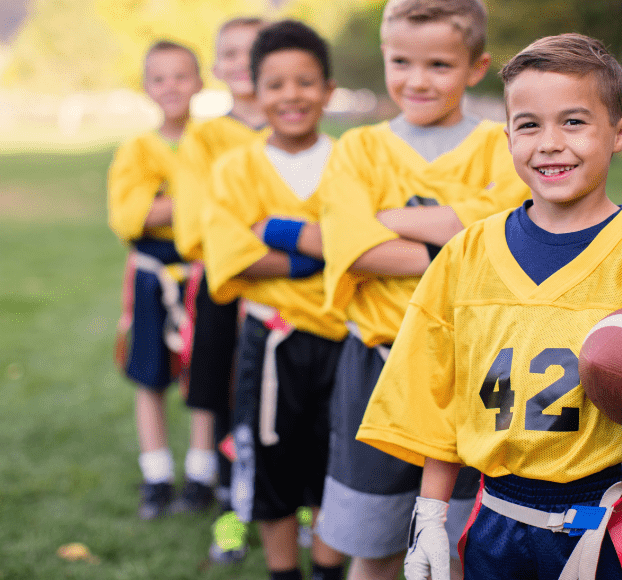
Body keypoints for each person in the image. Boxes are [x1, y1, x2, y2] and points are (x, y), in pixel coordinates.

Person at [356, 33, 622, 580]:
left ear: (619, 133)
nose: (550, 143)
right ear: (507, 136)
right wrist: (430, 512)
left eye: (574, 122)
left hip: (613, 518)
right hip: (498, 517)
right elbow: (433, 390)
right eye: (529, 125)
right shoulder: (467, 252)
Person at [315, 1, 530, 578]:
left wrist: (384, 218)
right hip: (377, 366)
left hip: (474, 373)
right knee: (374, 546)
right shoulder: (357, 149)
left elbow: (501, 236)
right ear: (384, 57)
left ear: (476, 67)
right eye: (401, 61)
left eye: (438, 64)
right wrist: (452, 239)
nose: (417, 79)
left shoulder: (502, 145)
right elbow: (352, 250)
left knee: (461, 544)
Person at [201, 20, 347, 580]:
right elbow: (230, 259)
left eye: (306, 82)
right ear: (254, 91)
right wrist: (318, 253)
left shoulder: (354, 160)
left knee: (336, 463)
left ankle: (330, 569)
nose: (291, 96)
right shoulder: (235, 168)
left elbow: (363, 240)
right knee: (271, 465)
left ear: (329, 90)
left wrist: (276, 231)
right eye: (276, 84)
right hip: (272, 339)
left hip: (344, 337)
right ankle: (283, 571)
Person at [171, 16, 267, 564]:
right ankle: (231, 509)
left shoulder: (299, 131)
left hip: (292, 291)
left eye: (253, 52)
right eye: (229, 53)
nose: (241, 63)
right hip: (226, 287)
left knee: (290, 404)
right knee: (231, 397)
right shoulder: (205, 137)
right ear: (215, 66)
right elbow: (196, 223)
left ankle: (297, 504)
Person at [106, 40, 205, 520]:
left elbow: (230, 204)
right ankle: (157, 473)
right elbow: (130, 216)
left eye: (181, 76)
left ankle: (204, 472)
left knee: (204, 373)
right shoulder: (137, 149)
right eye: (160, 78)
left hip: (201, 273)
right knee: (150, 376)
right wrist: (190, 205)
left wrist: (165, 203)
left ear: (200, 82)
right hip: (151, 276)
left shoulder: (212, 143)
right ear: (146, 87)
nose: (171, 87)